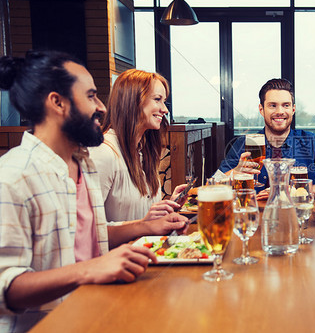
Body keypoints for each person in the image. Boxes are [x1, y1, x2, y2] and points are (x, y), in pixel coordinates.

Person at [0, 51, 187, 332]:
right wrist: (90, 269)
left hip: (99, 310)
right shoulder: (14, 175)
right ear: (57, 103)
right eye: (90, 96)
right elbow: (5, 288)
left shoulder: (82, 163)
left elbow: (92, 238)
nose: (101, 106)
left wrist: (148, 226)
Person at [89, 69, 187, 223]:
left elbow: (143, 218)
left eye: (164, 101)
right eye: (157, 99)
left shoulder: (143, 150)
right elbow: (90, 231)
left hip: (146, 246)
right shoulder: (103, 152)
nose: (165, 109)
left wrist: (169, 206)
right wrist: (144, 225)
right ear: (133, 101)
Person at [218, 78, 315, 197]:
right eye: (272, 105)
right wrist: (234, 173)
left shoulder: (311, 141)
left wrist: (288, 192)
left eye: (286, 105)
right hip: (254, 213)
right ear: (261, 109)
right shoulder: (243, 143)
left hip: (300, 213)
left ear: (293, 109)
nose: (280, 111)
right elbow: (211, 185)